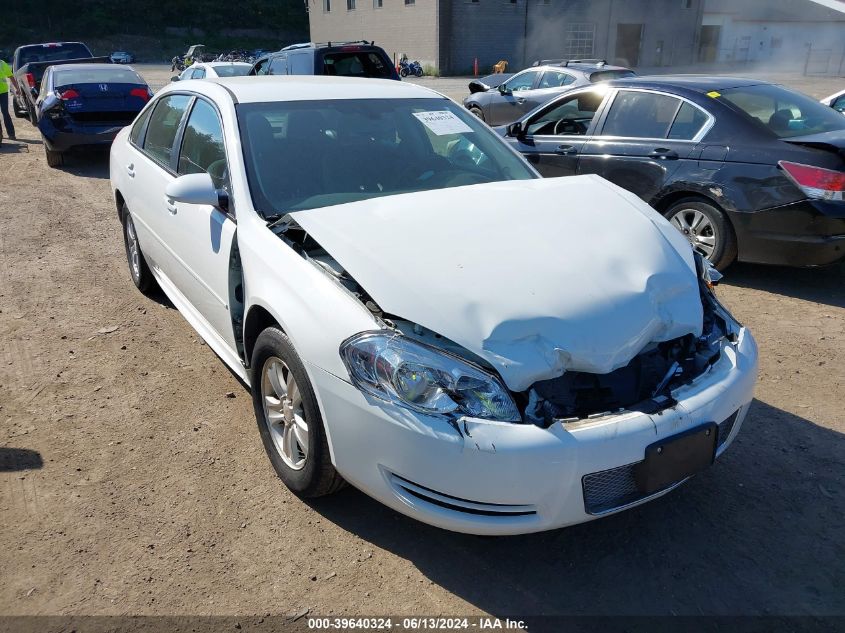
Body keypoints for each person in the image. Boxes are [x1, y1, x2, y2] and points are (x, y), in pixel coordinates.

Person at [0, 56, 15, 140]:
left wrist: (17, 88)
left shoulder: (2, 63)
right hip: (3, 93)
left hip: (3, 93)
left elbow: (10, 76)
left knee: (5, 112)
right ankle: (0, 134)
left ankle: (11, 134)